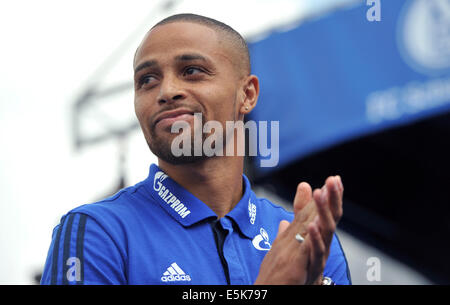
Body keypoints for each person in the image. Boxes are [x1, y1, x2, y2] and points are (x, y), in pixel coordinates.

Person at [40, 13, 351, 285]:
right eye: (147, 79)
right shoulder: (97, 232)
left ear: (247, 94)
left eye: (191, 71)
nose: (167, 91)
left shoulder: (308, 241)